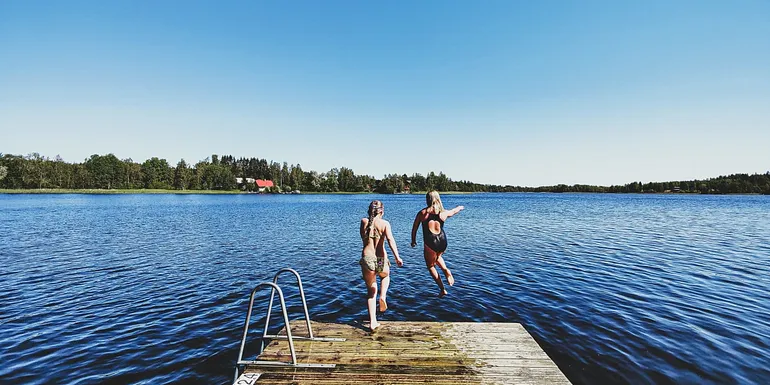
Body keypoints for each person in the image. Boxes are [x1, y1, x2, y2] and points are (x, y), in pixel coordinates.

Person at [360, 200, 403, 332]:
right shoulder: (385, 224)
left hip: (368, 258)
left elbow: (363, 237)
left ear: (369, 211)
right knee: (385, 276)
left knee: (371, 291)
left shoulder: (364, 222)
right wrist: (397, 257)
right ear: (382, 211)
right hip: (380, 259)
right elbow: (390, 240)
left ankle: (373, 322)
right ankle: (383, 296)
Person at [411, 191, 464, 297]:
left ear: (427, 200)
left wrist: (413, 240)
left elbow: (415, 227)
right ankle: (445, 270)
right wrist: (459, 207)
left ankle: (442, 289)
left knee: (430, 266)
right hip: (443, 241)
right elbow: (453, 211)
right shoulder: (443, 213)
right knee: (437, 256)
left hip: (431, 242)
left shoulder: (423, 213)